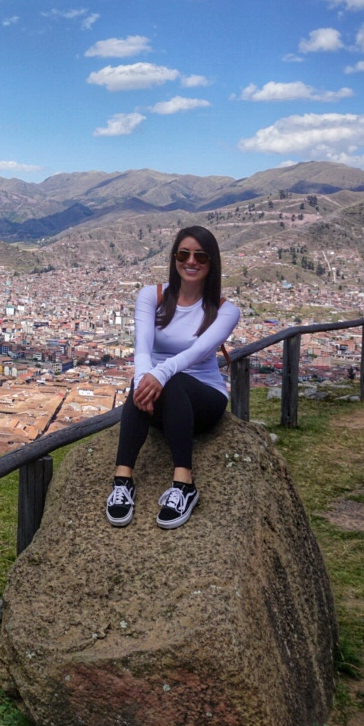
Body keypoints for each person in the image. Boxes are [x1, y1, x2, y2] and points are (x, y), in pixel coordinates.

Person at [105, 225, 240, 530]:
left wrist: (158, 376)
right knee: (144, 380)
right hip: (158, 397)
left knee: (171, 377)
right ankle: (122, 481)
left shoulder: (225, 310)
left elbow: (197, 352)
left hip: (205, 397)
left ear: (212, 262)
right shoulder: (151, 296)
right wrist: (143, 383)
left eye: (200, 256)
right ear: (174, 258)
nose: (191, 261)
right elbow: (142, 348)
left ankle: (184, 484)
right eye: (183, 253)